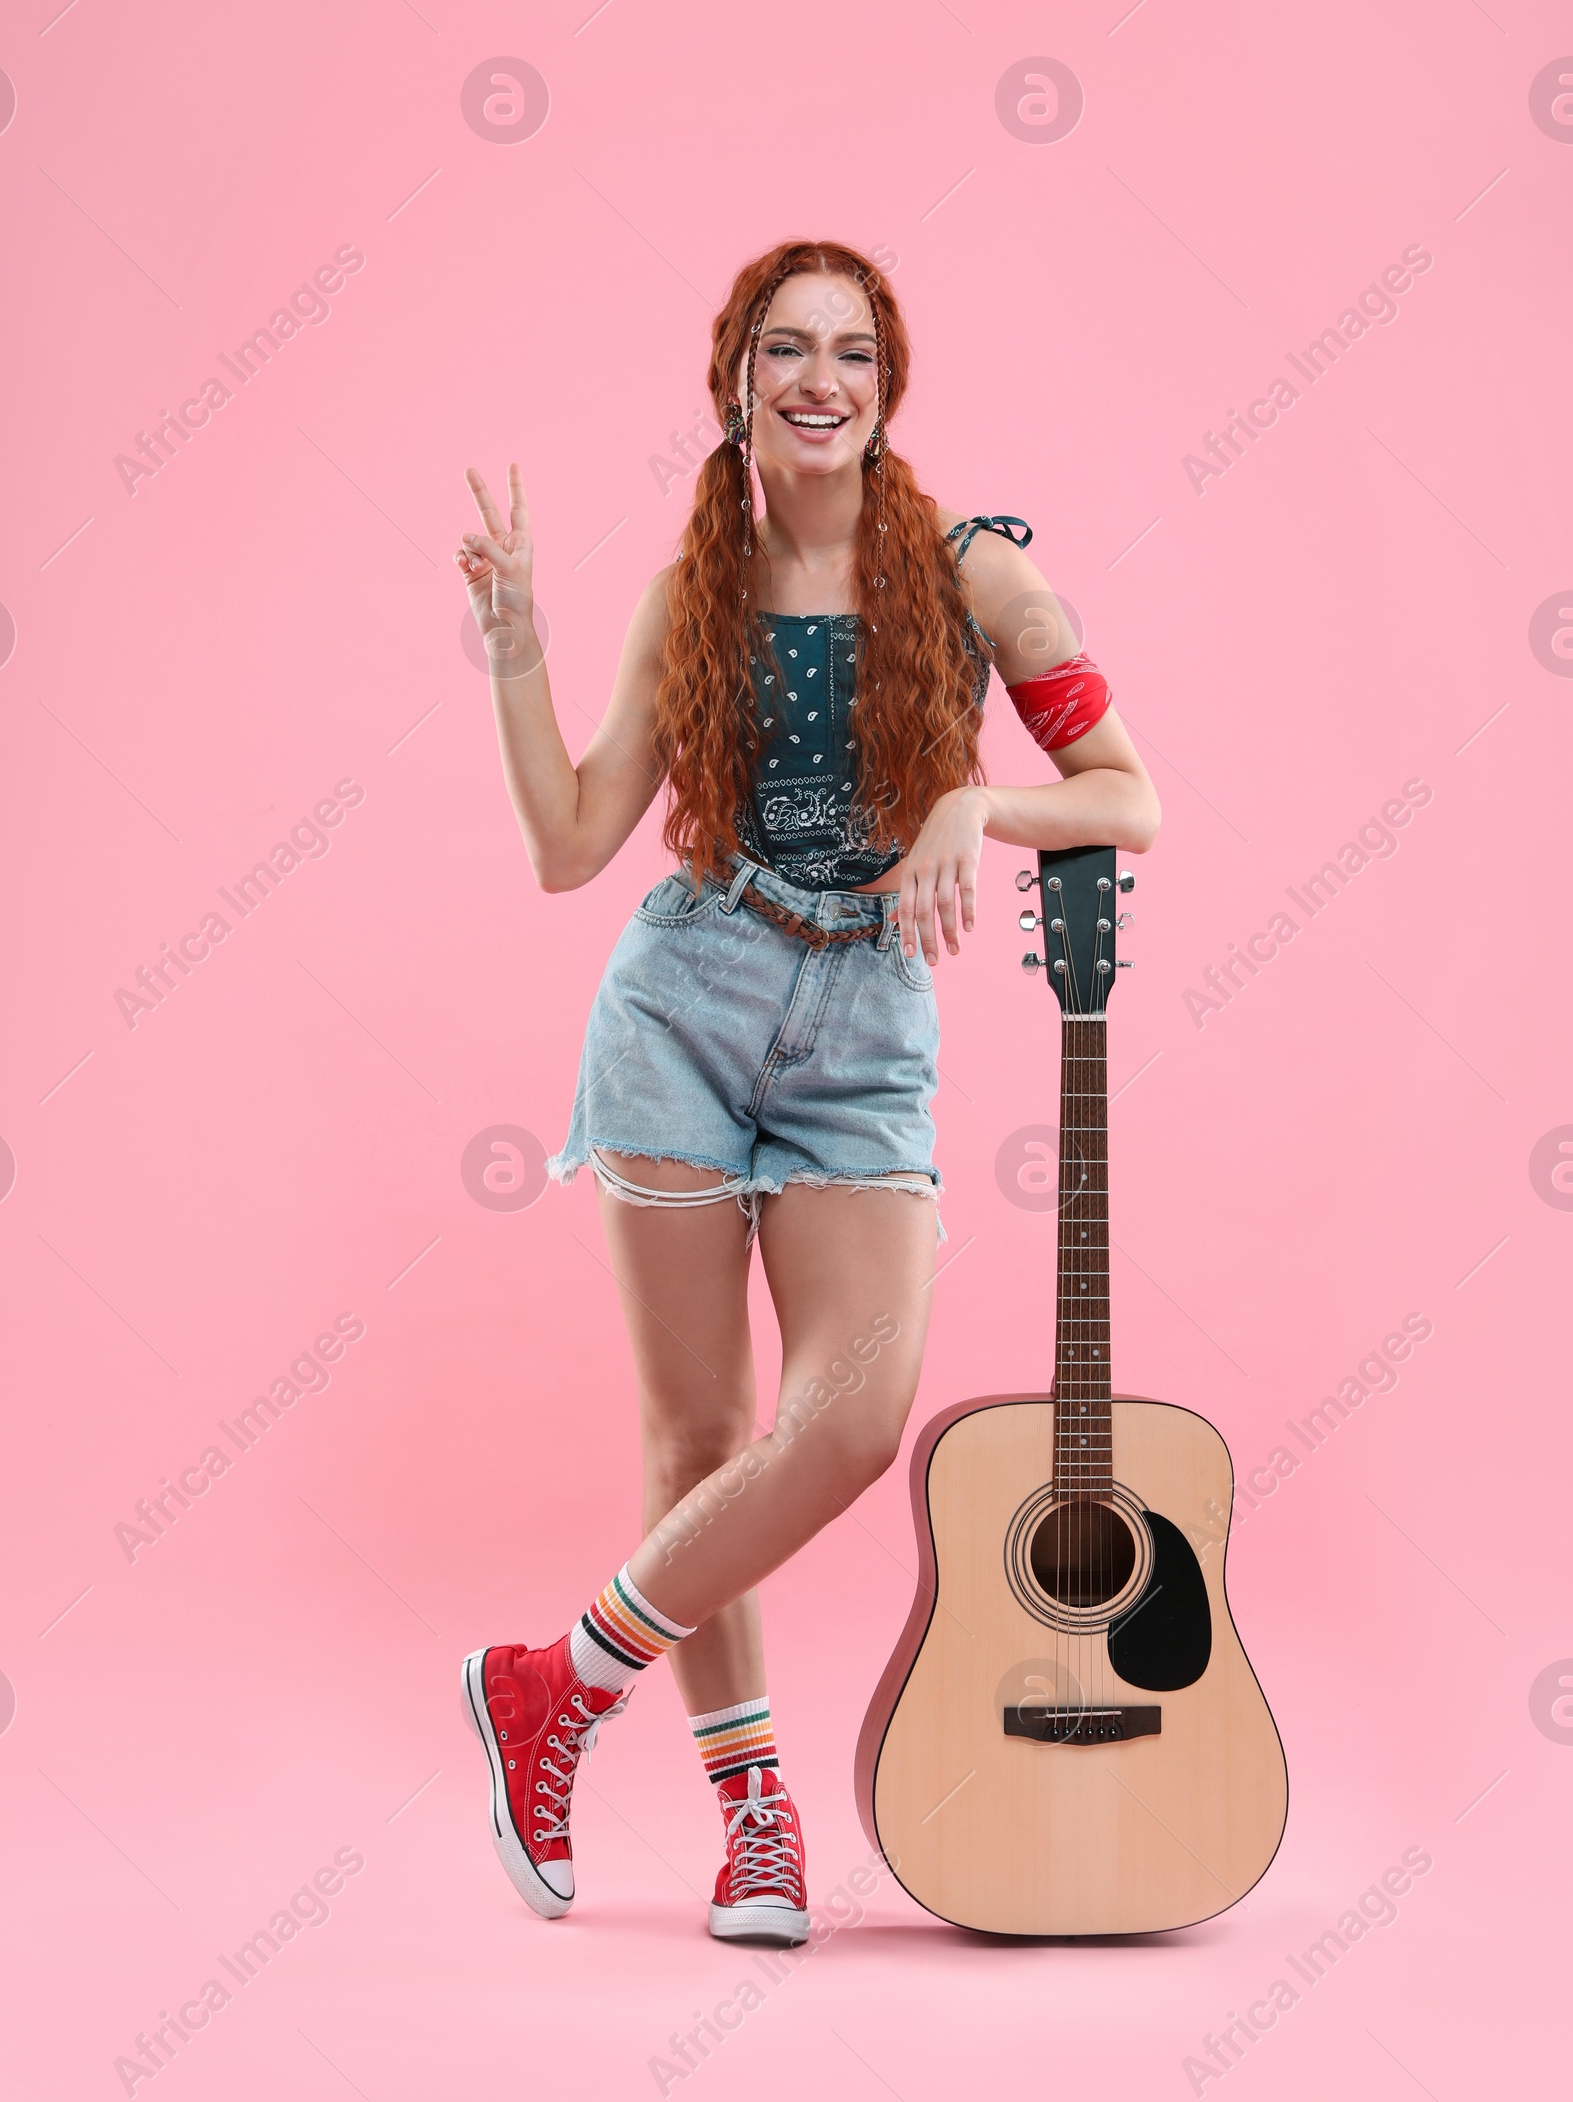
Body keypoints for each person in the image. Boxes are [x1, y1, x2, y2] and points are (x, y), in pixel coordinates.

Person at [453, 239, 1160, 1943]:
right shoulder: (691, 588)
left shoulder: (975, 574)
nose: (819, 379)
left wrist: (974, 809)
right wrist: (515, 647)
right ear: (737, 383)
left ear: (889, 385)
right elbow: (567, 847)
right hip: (683, 1007)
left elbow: (1127, 799)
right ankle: (753, 1815)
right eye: (786, 351)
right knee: (699, 1437)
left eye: (851, 351)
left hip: (862, 1037)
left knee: (846, 1420)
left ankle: (556, 1683)